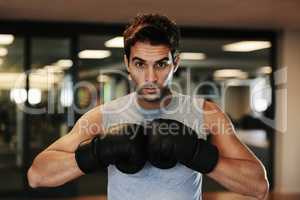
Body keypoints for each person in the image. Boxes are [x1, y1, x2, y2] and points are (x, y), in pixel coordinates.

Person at [27, 13, 269, 200]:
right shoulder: (103, 117)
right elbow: (37, 176)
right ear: (127, 63)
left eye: (161, 64)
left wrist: (196, 153)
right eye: (140, 64)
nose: (151, 77)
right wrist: (99, 151)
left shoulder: (205, 114)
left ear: (176, 62)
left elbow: (259, 186)